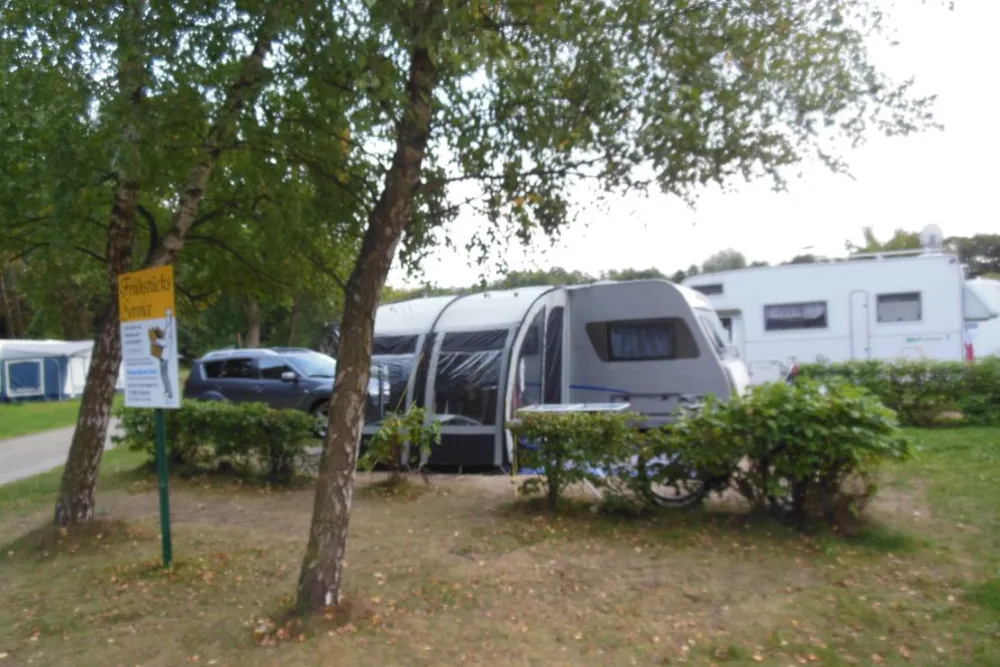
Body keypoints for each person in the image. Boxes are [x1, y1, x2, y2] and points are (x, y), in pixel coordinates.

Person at [147, 308, 174, 400]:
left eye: (167, 315)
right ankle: (167, 391)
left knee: (164, 375)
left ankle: (169, 392)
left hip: (165, 357)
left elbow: (165, 342)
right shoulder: (168, 326)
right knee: (163, 374)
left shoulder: (169, 328)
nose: (166, 318)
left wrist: (155, 341)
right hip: (163, 356)